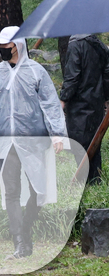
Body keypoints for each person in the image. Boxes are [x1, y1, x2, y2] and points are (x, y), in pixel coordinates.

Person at [0, 27, 69, 259]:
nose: (3, 50)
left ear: (19, 45)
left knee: (38, 190)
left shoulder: (36, 73)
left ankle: (26, 228)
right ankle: (20, 243)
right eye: (0, 46)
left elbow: (51, 105)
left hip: (34, 141)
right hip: (7, 143)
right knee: (11, 192)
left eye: (7, 46)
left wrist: (57, 133)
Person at [60, 32, 109, 185]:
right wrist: (106, 98)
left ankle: (82, 186)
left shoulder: (75, 44)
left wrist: (63, 99)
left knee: (79, 147)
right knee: (94, 145)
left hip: (79, 106)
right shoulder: (99, 45)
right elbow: (107, 74)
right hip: (96, 104)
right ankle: (95, 184)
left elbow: (72, 77)